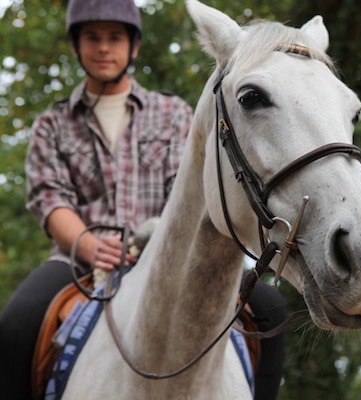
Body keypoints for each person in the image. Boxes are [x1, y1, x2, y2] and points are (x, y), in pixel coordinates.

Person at [0, 0, 286, 399]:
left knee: (271, 307)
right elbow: (50, 198)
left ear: (133, 46)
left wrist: (151, 239)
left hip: (165, 254)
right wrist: (87, 243)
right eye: (93, 38)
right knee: (15, 324)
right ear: (76, 46)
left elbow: (187, 191)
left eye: (115, 37)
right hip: (78, 261)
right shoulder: (53, 123)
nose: (104, 48)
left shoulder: (171, 113)